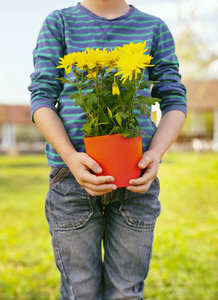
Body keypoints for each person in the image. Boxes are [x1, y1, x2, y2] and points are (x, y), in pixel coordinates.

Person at [28, 0, 187, 299]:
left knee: (126, 293)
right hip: (72, 180)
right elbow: (41, 98)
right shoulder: (59, 23)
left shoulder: (153, 28)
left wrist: (156, 153)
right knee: (80, 293)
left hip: (136, 179)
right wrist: (72, 159)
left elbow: (174, 98)